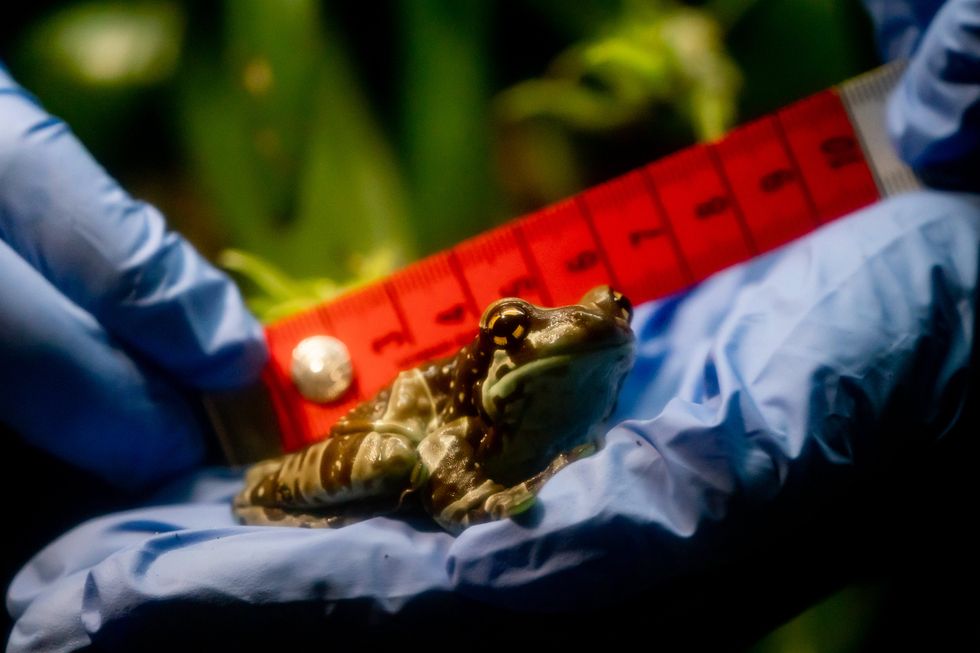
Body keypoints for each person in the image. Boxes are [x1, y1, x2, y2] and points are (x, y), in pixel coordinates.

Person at [2, 1, 978, 650]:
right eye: (522, 326)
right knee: (377, 461)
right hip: (413, 427)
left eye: (611, 315)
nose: (593, 319)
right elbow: (445, 470)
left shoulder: (581, 372)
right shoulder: (471, 406)